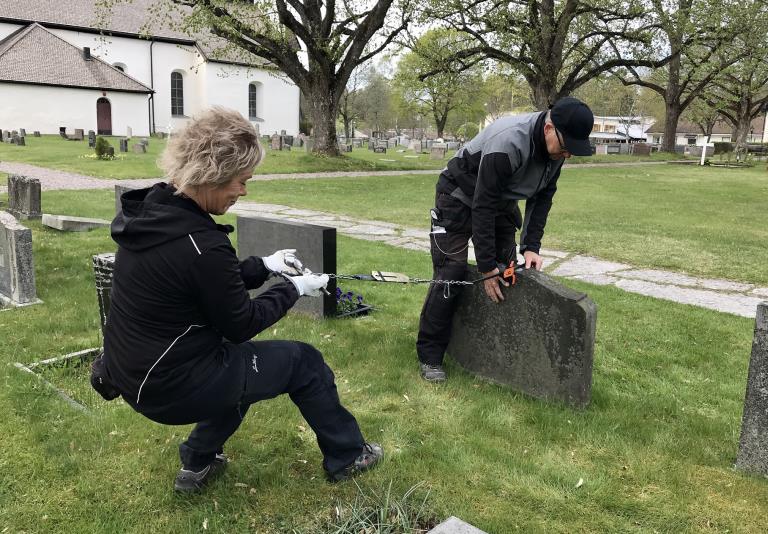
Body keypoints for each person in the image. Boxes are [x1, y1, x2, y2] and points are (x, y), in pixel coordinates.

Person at [97, 107, 382, 492]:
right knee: (303, 362)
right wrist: (294, 288)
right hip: (170, 386)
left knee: (243, 367)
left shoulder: (154, 218)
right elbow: (239, 322)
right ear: (213, 175)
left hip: (133, 373)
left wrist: (266, 264)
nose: (243, 191)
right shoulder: (200, 244)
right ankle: (349, 457)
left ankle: (198, 462)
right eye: (242, 181)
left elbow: (208, 281)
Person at [415, 97, 594, 382]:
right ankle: (430, 355)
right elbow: (482, 205)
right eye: (565, 147)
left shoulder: (557, 152)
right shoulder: (509, 142)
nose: (567, 155)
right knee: (452, 272)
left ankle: (495, 351)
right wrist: (486, 268)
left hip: (498, 200)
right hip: (458, 195)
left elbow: (543, 196)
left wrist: (531, 246)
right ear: (549, 128)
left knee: (507, 269)